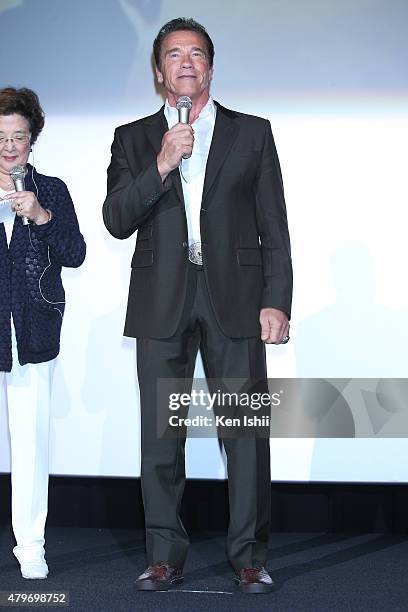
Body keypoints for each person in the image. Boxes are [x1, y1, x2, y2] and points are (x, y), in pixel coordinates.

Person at [103, 18, 292, 594]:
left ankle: (250, 559)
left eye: (197, 54)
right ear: (158, 71)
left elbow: (274, 228)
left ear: (210, 66)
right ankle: (163, 556)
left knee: (244, 435)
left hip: (235, 300)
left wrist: (276, 300)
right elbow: (115, 220)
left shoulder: (252, 132)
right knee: (162, 438)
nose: (186, 63)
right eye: (173, 55)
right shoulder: (133, 138)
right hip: (162, 301)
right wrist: (162, 163)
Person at [0, 87, 86, 579]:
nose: (10, 147)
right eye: (2, 137)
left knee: (31, 440)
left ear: (33, 140)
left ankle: (30, 544)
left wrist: (40, 215)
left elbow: (75, 253)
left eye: (20, 137)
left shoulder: (50, 189)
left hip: (31, 325)